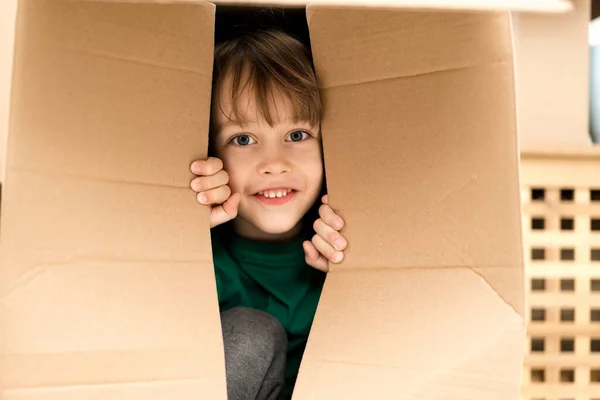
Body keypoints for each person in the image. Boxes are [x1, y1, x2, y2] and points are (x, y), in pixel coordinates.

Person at [189, 29, 348, 400]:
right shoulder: (204, 262)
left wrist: (355, 285)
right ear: (210, 153)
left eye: (297, 135)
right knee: (249, 334)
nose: (274, 164)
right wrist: (183, 238)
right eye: (243, 139)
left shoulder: (345, 244)